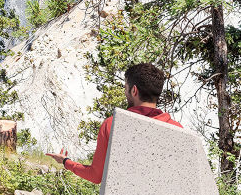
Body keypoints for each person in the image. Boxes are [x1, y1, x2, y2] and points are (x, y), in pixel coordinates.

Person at [49, 62, 182, 185]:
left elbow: (96, 176)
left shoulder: (112, 124)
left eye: (126, 88)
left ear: (134, 90)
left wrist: (66, 162)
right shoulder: (177, 129)